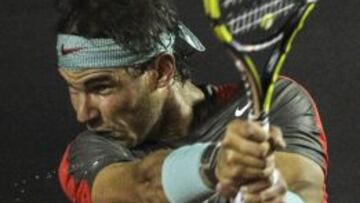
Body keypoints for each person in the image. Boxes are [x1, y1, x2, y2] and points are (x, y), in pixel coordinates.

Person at [56, 0, 328, 202]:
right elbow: (142, 186)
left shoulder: (277, 100)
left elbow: (306, 192)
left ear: (161, 72)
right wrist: (213, 164)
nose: (82, 114)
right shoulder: (88, 152)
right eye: (73, 88)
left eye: (101, 88)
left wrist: (277, 196)